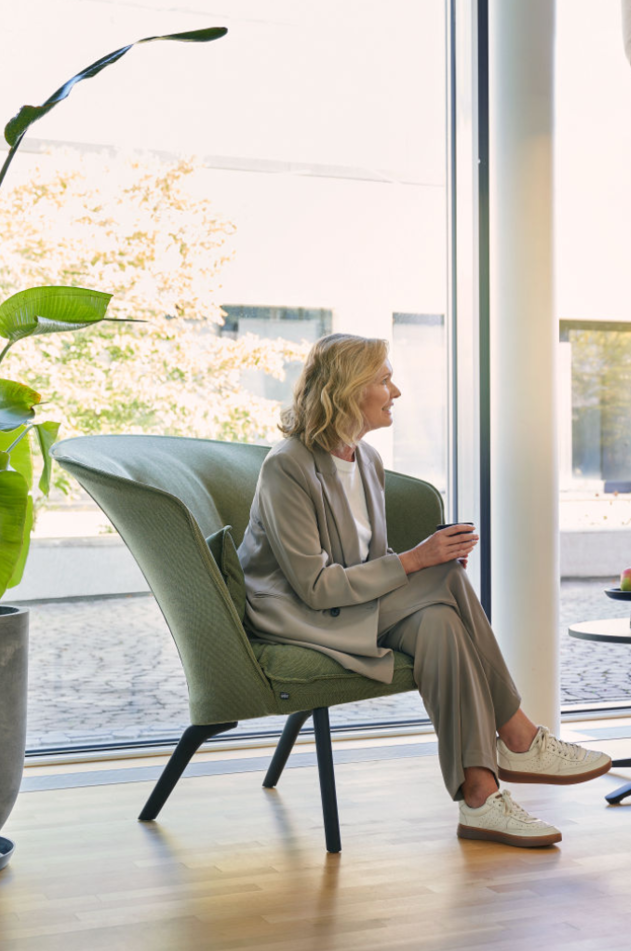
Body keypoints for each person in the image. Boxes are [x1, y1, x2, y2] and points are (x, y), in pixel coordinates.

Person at [237, 332, 611, 848]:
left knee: (439, 620)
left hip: (355, 605)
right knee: (444, 576)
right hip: (298, 615)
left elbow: (366, 562)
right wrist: (418, 561)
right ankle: (518, 736)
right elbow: (316, 587)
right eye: (384, 380)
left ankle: (480, 799)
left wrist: (421, 565)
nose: (396, 392)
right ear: (349, 389)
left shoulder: (367, 460)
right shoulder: (288, 467)